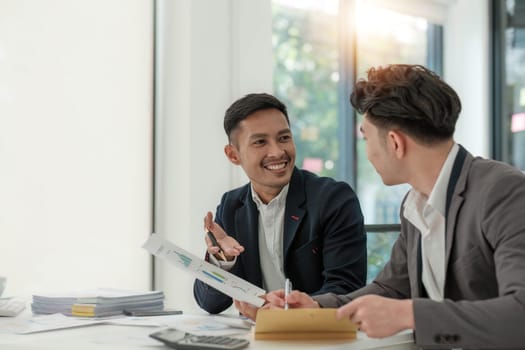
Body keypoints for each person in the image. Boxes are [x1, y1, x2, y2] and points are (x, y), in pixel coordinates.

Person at [265, 65, 525, 349]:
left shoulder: (504, 191)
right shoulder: (414, 204)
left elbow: (520, 312)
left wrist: (409, 314)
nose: (367, 151)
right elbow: (392, 288)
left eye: (366, 138)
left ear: (395, 143)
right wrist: (317, 307)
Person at [193, 93, 367, 315]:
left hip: (317, 338)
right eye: (260, 142)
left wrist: (279, 312)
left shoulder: (333, 199)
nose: (277, 152)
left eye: (284, 138)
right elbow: (209, 303)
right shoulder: (231, 205)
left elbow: (345, 289)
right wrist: (223, 261)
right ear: (233, 155)